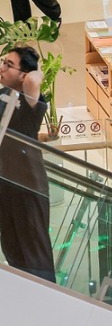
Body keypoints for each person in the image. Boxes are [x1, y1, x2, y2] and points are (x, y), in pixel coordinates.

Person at [0, 45, 54, 282]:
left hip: (28, 188)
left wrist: (34, 70)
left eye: (8, 65)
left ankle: (48, 302)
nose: (2, 67)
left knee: (35, 256)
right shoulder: (3, 96)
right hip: (6, 186)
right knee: (12, 250)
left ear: (23, 74)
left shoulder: (31, 103)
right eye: (3, 61)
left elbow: (34, 80)